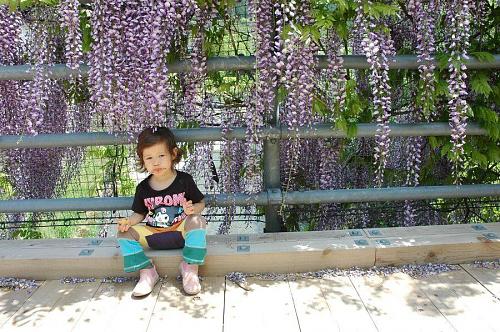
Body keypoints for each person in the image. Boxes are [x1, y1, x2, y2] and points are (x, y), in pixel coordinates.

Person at [116, 126, 207, 297]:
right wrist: (128, 222)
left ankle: (190, 268)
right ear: (142, 160)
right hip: (154, 235)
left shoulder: (184, 180)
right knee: (124, 234)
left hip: (181, 232)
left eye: (161, 156)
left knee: (198, 221)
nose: (155, 162)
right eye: (149, 158)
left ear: (173, 154)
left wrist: (193, 209)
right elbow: (140, 214)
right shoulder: (143, 188)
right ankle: (147, 271)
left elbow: (200, 203)